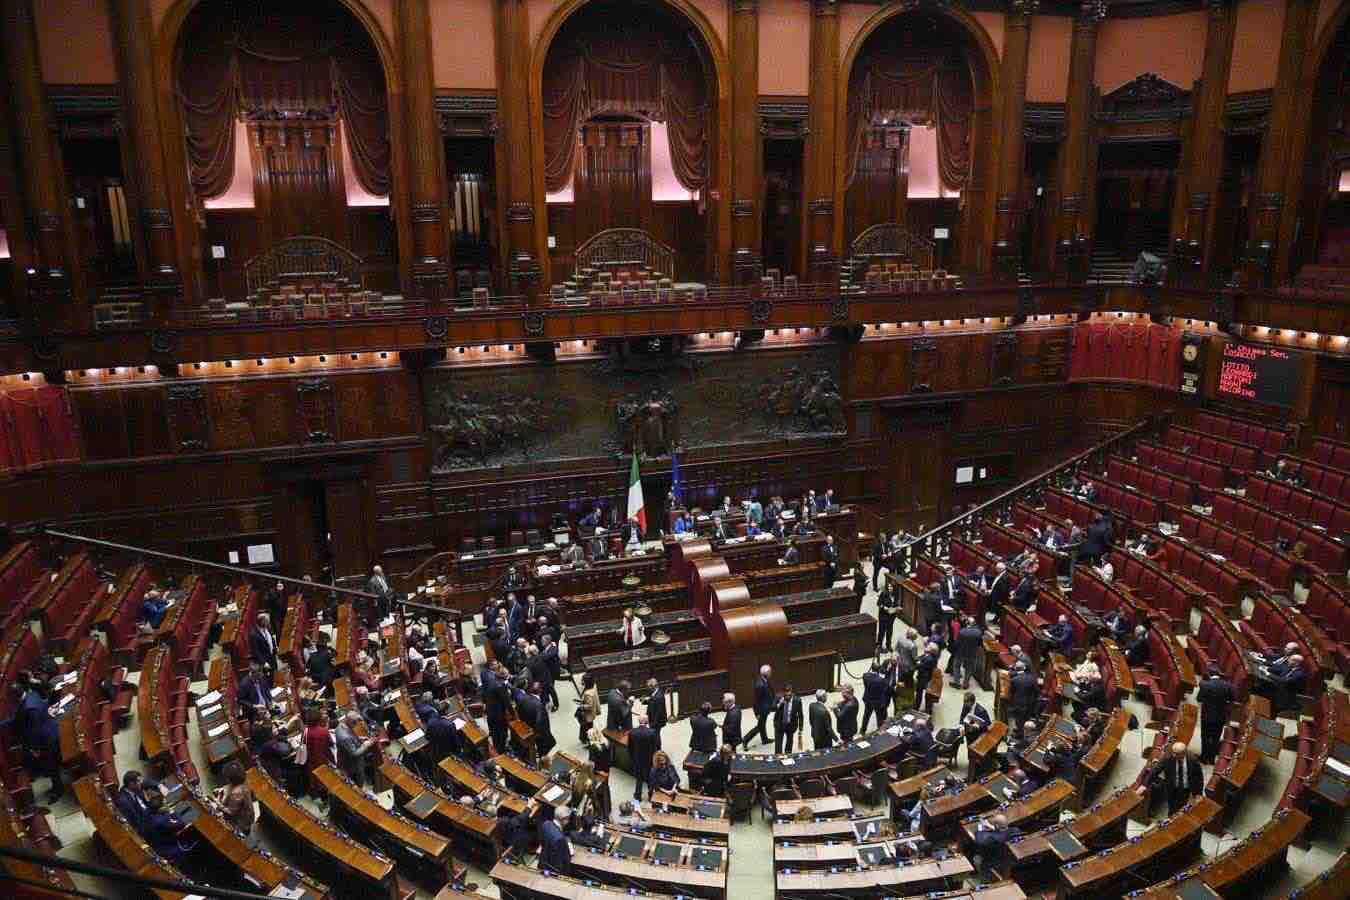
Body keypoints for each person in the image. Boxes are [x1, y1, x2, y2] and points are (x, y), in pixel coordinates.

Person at [1196, 666, 1234, 764]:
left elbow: (1199, 699)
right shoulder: (1228, 685)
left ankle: (1204, 758)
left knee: (1205, 737)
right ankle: (1212, 759)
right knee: (1216, 738)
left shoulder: (1205, 685)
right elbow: (1231, 700)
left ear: (1209, 674)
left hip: (1207, 716)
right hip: (1220, 717)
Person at [1156, 741, 1203, 815]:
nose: (1174, 755)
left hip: (1185, 788)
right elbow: (1156, 770)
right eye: (1173, 752)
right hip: (1171, 787)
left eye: (1176, 753)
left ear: (1183, 753)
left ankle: (1177, 817)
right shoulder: (1168, 758)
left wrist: (1199, 793)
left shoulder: (1192, 759)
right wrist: (1144, 785)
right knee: (1171, 806)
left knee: (1181, 807)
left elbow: (1199, 776)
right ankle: (1171, 817)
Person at [144, 790, 190, 863]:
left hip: (156, 844)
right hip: (167, 849)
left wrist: (166, 812)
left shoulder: (148, 812)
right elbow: (181, 824)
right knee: (189, 845)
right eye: (163, 802)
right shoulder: (161, 821)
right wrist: (171, 811)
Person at [972, 812, 1018, 880]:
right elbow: (1002, 832)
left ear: (996, 825)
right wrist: (992, 827)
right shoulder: (1015, 830)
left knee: (976, 859)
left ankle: (986, 877)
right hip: (1010, 859)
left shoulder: (992, 838)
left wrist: (980, 827)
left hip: (995, 862)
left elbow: (979, 840)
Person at [335, 711, 377, 786]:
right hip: (352, 766)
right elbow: (354, 754)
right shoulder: (345, 737)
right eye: (355, 723)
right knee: (358, 783)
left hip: (345, 760)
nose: (356, 725)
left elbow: (350, 739)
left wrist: (359, 738)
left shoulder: (341, 725)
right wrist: (365, 745)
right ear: (350, 721)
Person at [215, 761, 255, 835]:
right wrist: (222, 789)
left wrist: (218, 803)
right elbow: (230, 786)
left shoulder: (237, 793)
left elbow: (231, 812)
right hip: (246, 815)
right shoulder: (243, 782)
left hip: (241, 823)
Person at [743, 665, 774, 749]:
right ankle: (745, 740)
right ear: (766, 673)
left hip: (765, 708)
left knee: (762, 725)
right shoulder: (760, 685)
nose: (771, 673)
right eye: (770, 672)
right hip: (761, 710)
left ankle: (764, 739)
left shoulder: (764, 680)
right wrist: (757, 713)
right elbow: (756, 701)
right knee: (759, 727)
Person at [629, 715, 658, 800]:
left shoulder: (632, 732)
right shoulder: (652, 732)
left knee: (639, 778)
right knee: (649, 778)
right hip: (649, 760)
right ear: (647, 721)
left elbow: (630, 748)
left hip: (637, 759)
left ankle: (638, 795)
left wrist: (633, 758)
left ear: (639, 721)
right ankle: (651, 795)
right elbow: (655, 748)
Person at [539, 806, 572, 874]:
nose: (568, 821)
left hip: (542, 862)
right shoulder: (560, 839)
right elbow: (562, 861)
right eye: (568, 819)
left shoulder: (546, 824)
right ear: (564, 818)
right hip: (552, 871)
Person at [952, 617, 983, 690]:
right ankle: (965, 684)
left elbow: (957, 643)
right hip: (972, 654)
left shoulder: (962, 631)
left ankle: (956, 682)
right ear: (974, 623)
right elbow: (979, 644)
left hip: (960, 653)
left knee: (956, 666)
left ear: (967, 623)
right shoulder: (979, 633)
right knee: (969, 668)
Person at [861, 663, 890, 734]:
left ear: (871, 668)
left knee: (866, 716)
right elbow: (885, 688)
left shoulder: (865, 676)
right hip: (877, 701)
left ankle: (862, 730)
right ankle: (879, 730)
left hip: (868, 699)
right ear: (878, 670)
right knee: (879, 717)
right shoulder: (881, 680)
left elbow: (866, 685)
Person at [774, 685, 804, 754]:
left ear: (792, 693)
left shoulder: (797, 700)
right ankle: (778, 756)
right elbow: (772, 708)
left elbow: (800, 715)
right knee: (778, 746)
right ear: (783, 693)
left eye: (789, 695)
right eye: (786, 695)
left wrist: (800, 728)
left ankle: (788, 754)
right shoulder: (778, 697)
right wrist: (779, 703)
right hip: (779, 724)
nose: (787, 697)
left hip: (791, 725)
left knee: (789, 742)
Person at [577, 673, 601, 743]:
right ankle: (584, 738)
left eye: (583, 680)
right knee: (585, 727)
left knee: (587, 728)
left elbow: (589, 706)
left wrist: (581, 706)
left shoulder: (588, 694)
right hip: (591, 714)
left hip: (588, 715)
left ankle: (587, 740)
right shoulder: (593, 687)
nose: (581, 681)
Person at [876, 585, 900, 651]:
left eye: (891, 587)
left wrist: (897, 608)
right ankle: (879, 645)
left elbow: (896, 603)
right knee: (882, 631)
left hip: (891, 616)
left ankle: (888, 645)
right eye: (888, 586)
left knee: (889, 631)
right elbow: (878, 603)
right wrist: (884, 607)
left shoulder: (896, 595)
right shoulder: (883, 594)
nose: (889, 588)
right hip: (883, 616)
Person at [645, 678, 667, 747]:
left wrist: (653, 723)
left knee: (656, 735)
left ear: (653, 686)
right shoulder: (655, 692)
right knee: (655, 735)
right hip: (653, 719)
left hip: (656, 721)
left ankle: (658, 749)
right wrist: (647, 701)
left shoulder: (659, 696)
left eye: (649, 687)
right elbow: (653, 701)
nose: (648, 688)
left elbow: (659, 712)